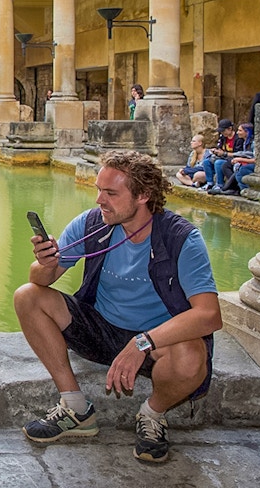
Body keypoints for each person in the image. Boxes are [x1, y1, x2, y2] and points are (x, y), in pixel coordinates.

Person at [14, 150, 221, 462]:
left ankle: (152, 414)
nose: (100, 200)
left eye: (110, 193)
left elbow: (208, 315)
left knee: (192, 356)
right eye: (99, 190)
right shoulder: (92, 224)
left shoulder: (182, 239)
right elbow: (41, 281)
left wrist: (142, 342)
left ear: (143, 195)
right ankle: (75, 408)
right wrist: (45, 263)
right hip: (101, 327)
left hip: (155, 342)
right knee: (27, 295)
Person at [200, 118, 246, 191]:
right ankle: (209, 183)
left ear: (230, 129)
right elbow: (219, 147)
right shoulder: (222, 137)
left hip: (231, 158)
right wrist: (215, 150)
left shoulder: (238, 139)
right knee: (206, 162)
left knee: (219, 163)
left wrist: (224, 153)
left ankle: (220, 184)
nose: (222, 133)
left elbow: (238, 153)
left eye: (223, 131)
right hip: (223, 157)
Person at [209, 123, 255, 196]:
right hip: (238, 160)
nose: (237, 132)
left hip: (250, 163)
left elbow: (254, 158)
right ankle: (228, 187)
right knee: (224, 165)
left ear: (247, 132)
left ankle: (230, 189)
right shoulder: (244, 141)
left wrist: (240, 159)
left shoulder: (252, 143)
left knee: (240, 170)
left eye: (240, 130)